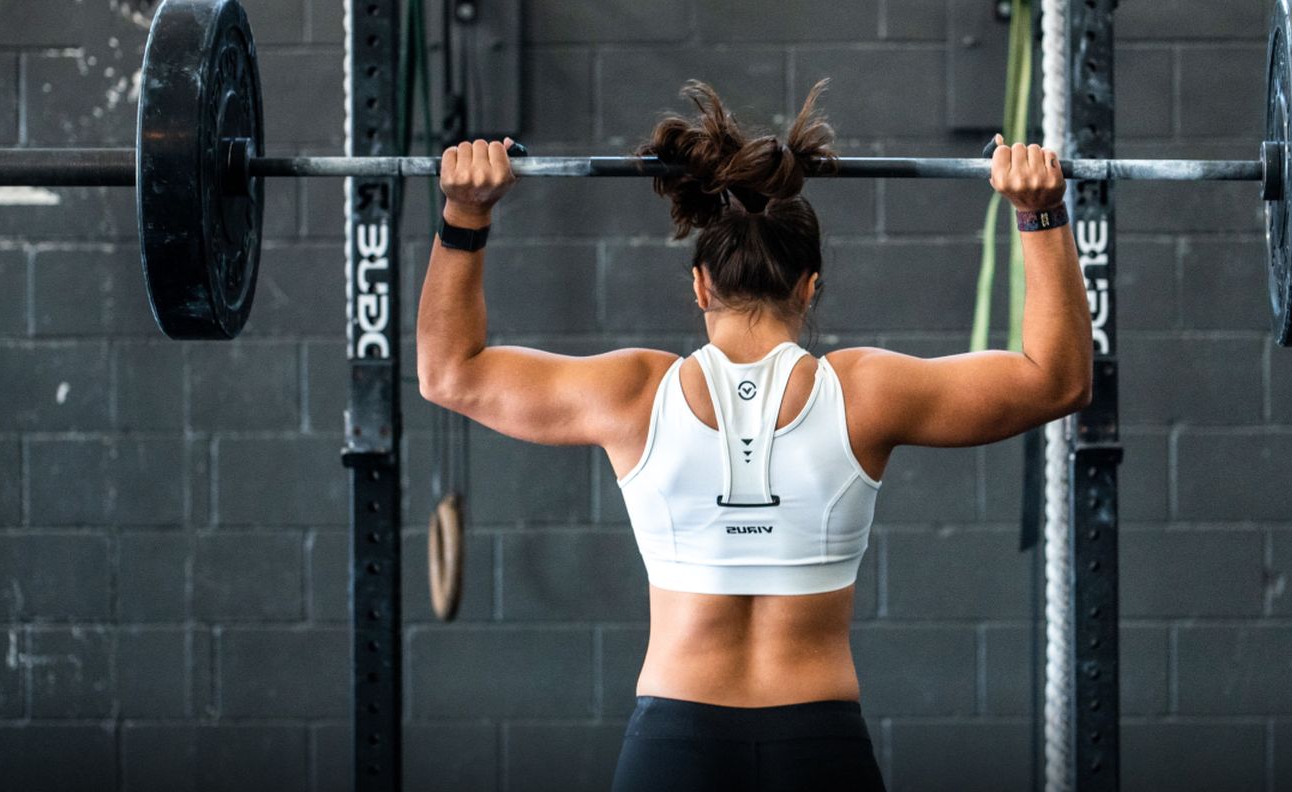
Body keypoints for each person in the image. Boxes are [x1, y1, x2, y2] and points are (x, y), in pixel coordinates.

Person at [417, 80, 1092, 792]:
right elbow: (1058, 380)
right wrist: (1039, 214)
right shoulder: (866, 393)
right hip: (818, 744)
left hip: (674, 746)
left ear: (701, 287)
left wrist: (465, 214)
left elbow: (449, 373)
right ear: (810, 286)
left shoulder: (633, 395)